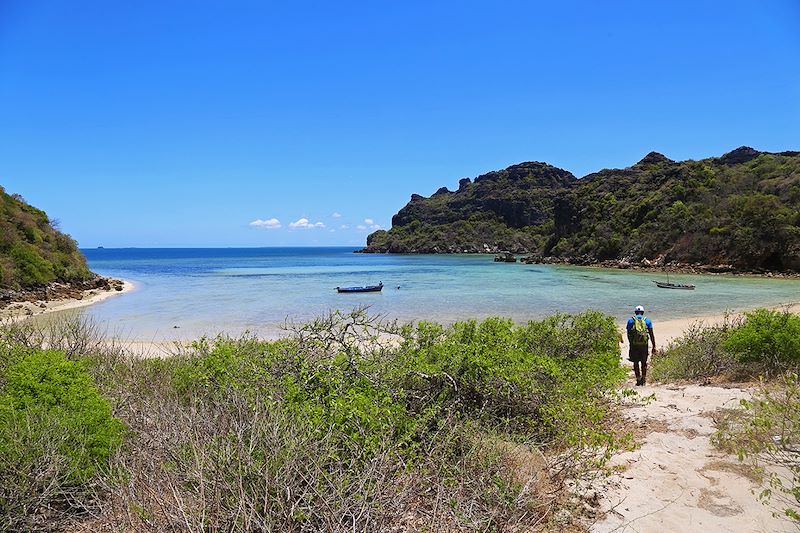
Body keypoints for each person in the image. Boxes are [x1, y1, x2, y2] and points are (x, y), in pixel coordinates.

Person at [626, 305, 656, 386]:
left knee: (635, 362)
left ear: (635, 312)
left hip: (634, 345)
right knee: (644, 362)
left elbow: (628, 334)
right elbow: (651, 334)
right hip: (644, 345)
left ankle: (638, 380)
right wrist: (654, 346)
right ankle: (643, 379)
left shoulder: (630, 321)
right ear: (643, 312)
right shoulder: (647, 321)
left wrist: (631, 343)